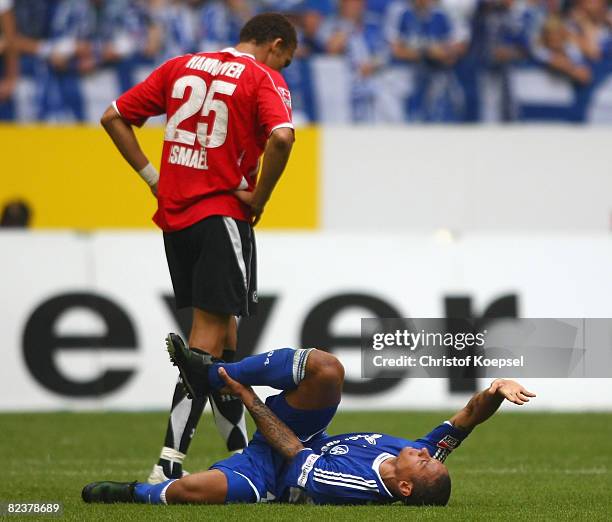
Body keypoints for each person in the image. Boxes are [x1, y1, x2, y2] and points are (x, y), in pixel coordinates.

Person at [100, 13, 297, 484]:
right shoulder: (262, 77)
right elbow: (283, 137)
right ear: (274, 45)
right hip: (220, 215)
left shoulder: (181, 65)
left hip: (177, 219)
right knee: (205, 343)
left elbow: (113, 118)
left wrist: (155, 180)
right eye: (286, 60)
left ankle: (241, 453)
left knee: (225, 338)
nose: (284, 68)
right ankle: (168, 460)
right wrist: (261, 196)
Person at [82, 335, 536, 506]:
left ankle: (133, 494)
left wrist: (247, 399)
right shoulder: (414, 459)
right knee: (328, 369)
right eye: (427, 454)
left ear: (405, 487)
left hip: (275, 468)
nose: (422, 450)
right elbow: (466, 420)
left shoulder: (357, 486)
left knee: (190, 491)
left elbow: (291, 452)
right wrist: (496, 389)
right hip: (306, 432)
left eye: (422, 460)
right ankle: (215, 373)